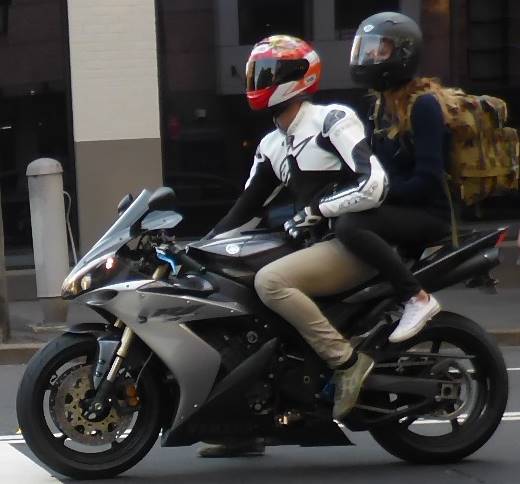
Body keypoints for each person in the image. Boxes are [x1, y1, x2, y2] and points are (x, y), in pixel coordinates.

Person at [198, 34, 387, 457]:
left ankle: (346, 361)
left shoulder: (331, 120)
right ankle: (245, 427)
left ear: (299, 77)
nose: (259, 81)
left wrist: (319, 209)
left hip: (351, 244)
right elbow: (245, 209)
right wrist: (196, 249)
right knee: (231, 290)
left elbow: (373, 183)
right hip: (312, 249)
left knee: (270, 282)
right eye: (256, 74)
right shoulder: (272, 144)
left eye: (268, 74)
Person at [333, 11, 452, 344]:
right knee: (334, 221)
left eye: (379, 50)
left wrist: (378, 193)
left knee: (351, 226)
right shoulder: (378, 107)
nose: (369, 57)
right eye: (366, 49)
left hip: (429, 214)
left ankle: (417, 298)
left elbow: (428, 180)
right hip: (400, 207)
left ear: (403, 53)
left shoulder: (424, 106)